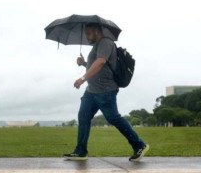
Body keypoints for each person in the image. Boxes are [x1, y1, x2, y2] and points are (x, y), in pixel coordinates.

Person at [63, 23, 149, 161]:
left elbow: (101, 62)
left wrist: (82, 78)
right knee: (83, 117)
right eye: (86, 33)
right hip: (91, 92)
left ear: (97, 31)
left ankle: (139, 145)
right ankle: (80, 151)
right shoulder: (97, 45)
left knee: (113, 118)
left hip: (105, 91)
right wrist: (84, 63)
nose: (87, 36)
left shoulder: (106, 43)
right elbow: (96, 66)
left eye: (89, 33)